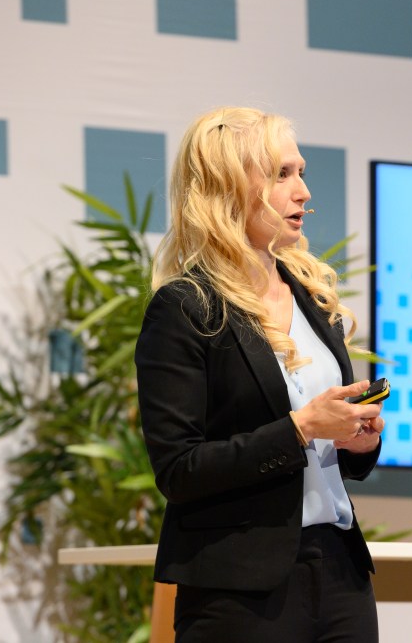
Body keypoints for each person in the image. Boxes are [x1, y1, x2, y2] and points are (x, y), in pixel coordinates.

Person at [135, 106, 385, 642]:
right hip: (239, 588)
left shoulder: (313, 299)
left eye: (301, 172)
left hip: (340, 571)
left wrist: (357, 442)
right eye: (281, 175)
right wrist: (301, 429)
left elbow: (326, 456)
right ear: (229, 189)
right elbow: (179, 470)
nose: (304, 193)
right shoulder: (186, 308)